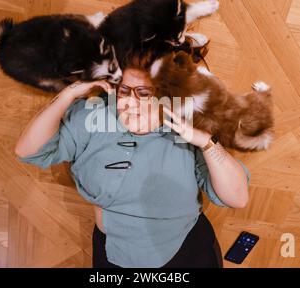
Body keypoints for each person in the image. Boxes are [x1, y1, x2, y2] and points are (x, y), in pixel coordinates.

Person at [15, 65, 250, 268]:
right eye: (124, 90)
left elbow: (237, 198)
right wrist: (69, 93)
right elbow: (27, 151)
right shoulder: (94, 114)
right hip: (116, 253)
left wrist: (205, 142)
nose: (129, 102)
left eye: (144, 93)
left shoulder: (186, 122)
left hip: (186, 248)